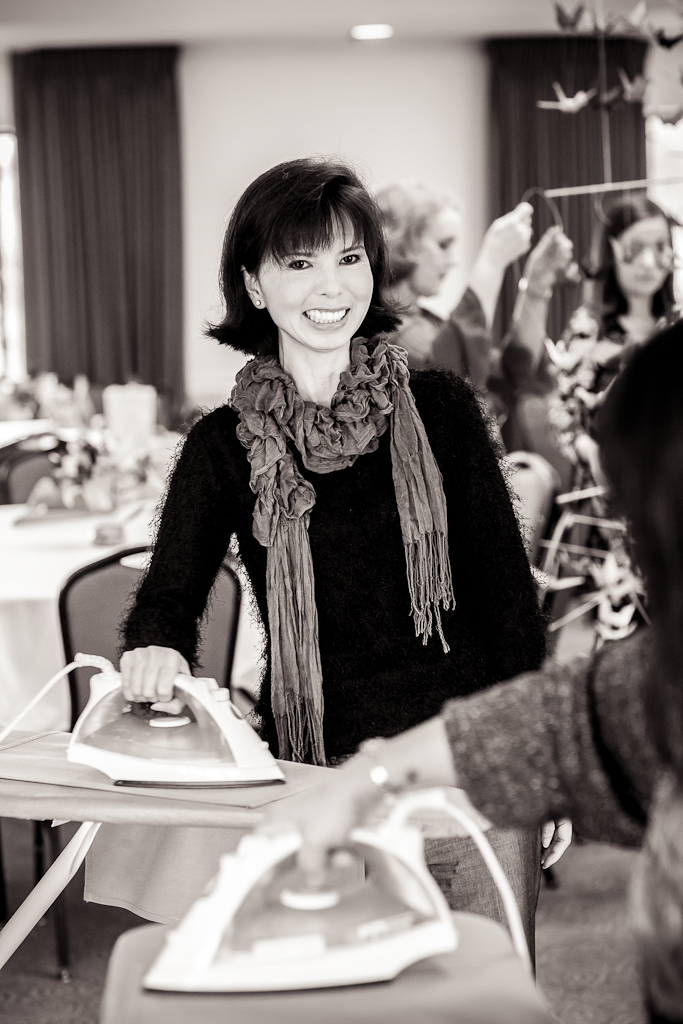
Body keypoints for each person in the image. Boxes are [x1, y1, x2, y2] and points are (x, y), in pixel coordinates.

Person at [119, 157, 550, 952]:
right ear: (254, 285)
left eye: (349, 258)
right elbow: (167, 599)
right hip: (324, 782)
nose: (331, 286)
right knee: (351, 994)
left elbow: (507, 600)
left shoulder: (442, 410)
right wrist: (154, 648)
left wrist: (538, 757)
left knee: (487, 992)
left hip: (468, 767)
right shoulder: (224, 445)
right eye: (298, 263)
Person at [261, 318, 683, 1023]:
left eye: (640, 520)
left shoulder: (440, 411)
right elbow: (558, 720)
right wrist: (367, 781)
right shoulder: (656, 679)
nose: (632, 551)